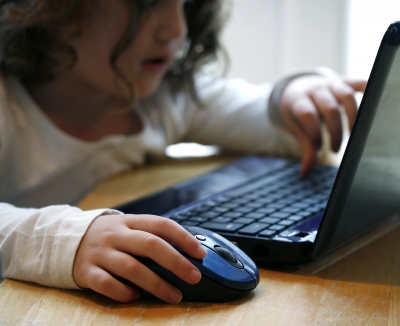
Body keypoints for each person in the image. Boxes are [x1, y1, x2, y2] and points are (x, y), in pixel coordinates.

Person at [0, 0, 366, 304]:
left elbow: (274, 125)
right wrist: (66, 241)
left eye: (183, 4)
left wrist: (299, 92)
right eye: (146, 5)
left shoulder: (164, 97)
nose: (175, 30)